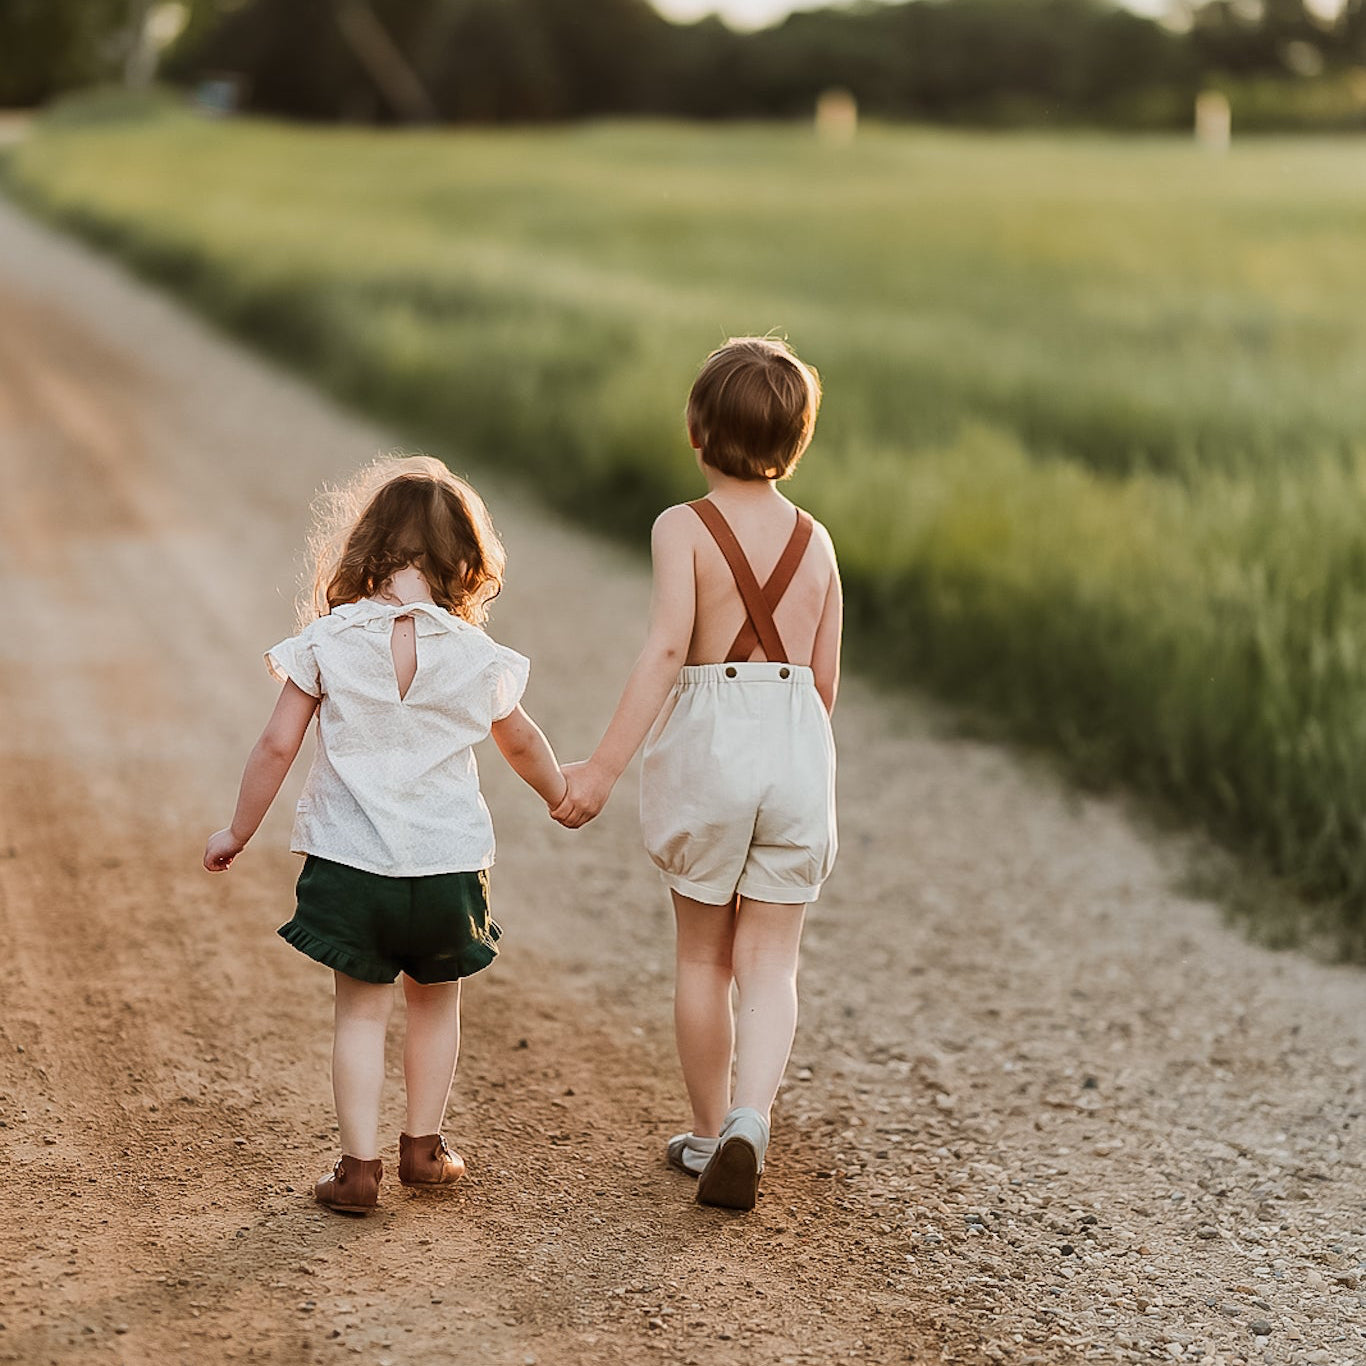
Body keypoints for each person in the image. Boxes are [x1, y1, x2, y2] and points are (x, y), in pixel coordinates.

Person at [203, 455, 567, 1216]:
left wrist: (239, 829)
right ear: (464, 563)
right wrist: (563, 793)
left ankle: (358, 1168)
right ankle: (424, 1150)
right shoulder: (475, 655)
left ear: (365, 549)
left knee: (360, 1012)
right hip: (446, 867)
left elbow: (276, 746)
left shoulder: (330, 641)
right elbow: (524, 743)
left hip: (351, 862)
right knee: (436, 1003)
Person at [555, 337, 840, 1211]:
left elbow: (670, 647)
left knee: (701, 956)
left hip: (712, 749)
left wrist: (602, 769)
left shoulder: (682, 528)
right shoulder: (817, 541)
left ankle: (713, 1130)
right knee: (772, 960)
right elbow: (825, 681)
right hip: (796, 750)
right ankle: (753, 1118)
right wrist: (791, 760)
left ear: (695, 430)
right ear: (798, 440)